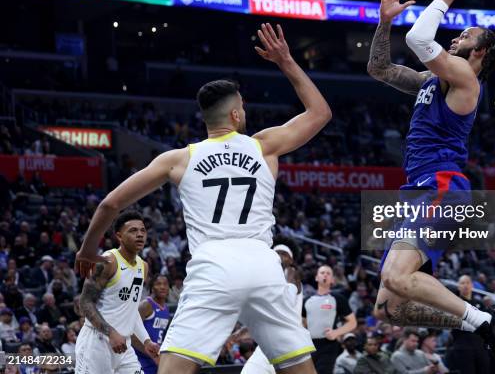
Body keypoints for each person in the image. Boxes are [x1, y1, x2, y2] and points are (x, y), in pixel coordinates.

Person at [75, 23, 332, 374]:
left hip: (213, 268)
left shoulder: (178, 159)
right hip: (263, 264)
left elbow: (110, 204)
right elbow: (320, 113)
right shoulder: (265, 145)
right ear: (236, 114)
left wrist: (88, 250)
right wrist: (286, 60)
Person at [366, 0, 495, 373]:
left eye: (466, 36)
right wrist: (384, 24)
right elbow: (379, 69)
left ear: (480, 53)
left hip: (442, 186)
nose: (456, 37)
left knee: (397, 279)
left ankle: (483, 321)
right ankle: (484, 322)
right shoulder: (431, 81)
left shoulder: (466, 79)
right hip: (417, 191)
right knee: (388, 308)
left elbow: (418, 39)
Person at [75, 210, 160, 373]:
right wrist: (111, 333)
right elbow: (84, 303)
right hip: (97, 343)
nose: (140, 235)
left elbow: (131, 309)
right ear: (119, 236)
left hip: (124, 345)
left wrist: (146, 341)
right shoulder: (108, 261)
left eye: (143, 230)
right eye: (133, 231)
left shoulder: (143, 266)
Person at [241, 236, 304, 374]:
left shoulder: (292, 274)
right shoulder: (267, 280)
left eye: (284, 254)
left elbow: (286, 298)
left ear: (291, 260)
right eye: (276, 253)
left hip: (289, 341)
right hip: (270, 340)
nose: (279, 256)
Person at [303, 265, 357, 373]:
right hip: (308, 345)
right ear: (316, 277)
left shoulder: (338, 298)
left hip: (328, 345)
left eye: (328, 273)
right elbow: (302, 323)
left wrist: (336, 332)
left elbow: (352, 322)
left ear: (332, 279)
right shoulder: (306, 300)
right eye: (322, 272)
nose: (325, 275)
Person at [445, 276, 492, 374]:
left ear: (472, 285)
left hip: (480, 346)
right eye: (462, 283)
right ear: (458, 287)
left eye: (467, 283)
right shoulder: (454, 303)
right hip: (462, 347)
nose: (465, 285)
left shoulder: (479, 304)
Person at [135, 275, 171, 374]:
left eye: (165, 284)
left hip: (156, 357)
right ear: (152, 287)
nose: (162, 287)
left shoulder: (166, 308)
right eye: (158, 284)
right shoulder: (146, 304)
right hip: (141, 358)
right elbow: (132, 333)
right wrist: (149, 352)